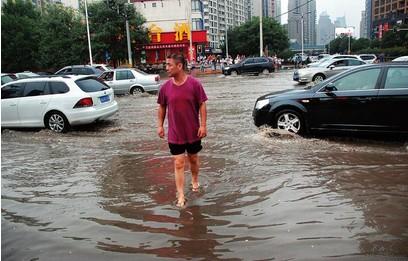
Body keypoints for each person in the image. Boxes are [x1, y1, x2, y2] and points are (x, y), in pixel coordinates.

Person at [157, 53, 208, 208]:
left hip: (193, 131)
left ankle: (194, 180)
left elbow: (202, 104)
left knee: (193, 159)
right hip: (175, 133)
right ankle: (180, 194)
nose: (166, 68)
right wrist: (160, 125)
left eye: (169, 65)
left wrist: (203, 125)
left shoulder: (195, 84)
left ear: (179, 66)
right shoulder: (165, 87)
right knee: (179, 163)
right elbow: (162, 107)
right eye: (166, 65)